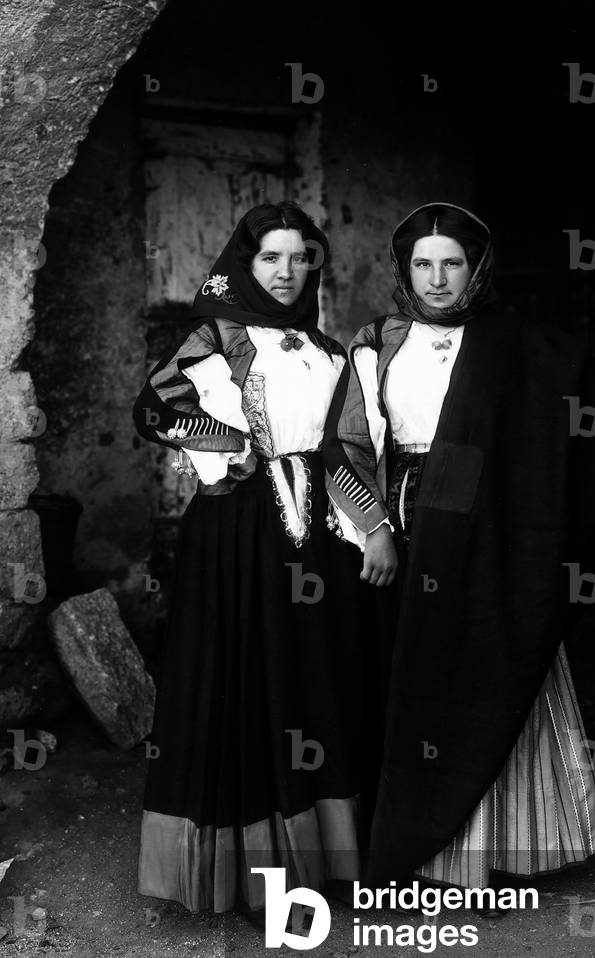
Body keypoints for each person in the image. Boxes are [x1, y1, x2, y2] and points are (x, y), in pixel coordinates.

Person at [323, 202, 595, 892]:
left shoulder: (514, 343)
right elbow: (341, 446)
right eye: (422, 264)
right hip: (405, 530)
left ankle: (498, 854)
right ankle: (427, 857)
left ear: (477, 270)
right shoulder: (377, 342)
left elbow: (590, 398)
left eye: (452, 264)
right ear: (404, 270)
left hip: (493, 531)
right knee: (418, 685)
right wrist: (372, 529)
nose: (437, 279)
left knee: (493, 667)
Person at [133, 201, 382, 917]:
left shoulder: (330, 352)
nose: (285, 270)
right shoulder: (218, 336)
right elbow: (154, 405)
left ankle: (321, 855)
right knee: (240, 681)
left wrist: (370, 527)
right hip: (236, 538)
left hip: (319, 538)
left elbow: (346, 448)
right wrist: (227, 446)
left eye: (299, 257)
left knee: (313, 676)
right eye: (270, 256)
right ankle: (241, 869)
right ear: (245, 263)